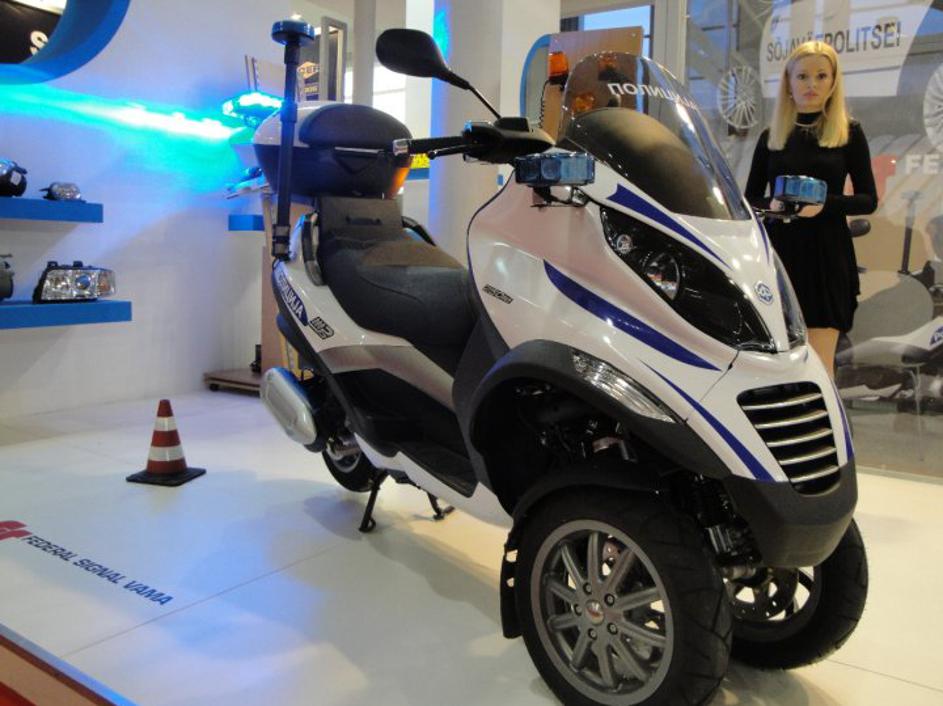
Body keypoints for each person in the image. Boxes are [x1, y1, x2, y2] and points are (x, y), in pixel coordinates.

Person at [745, 41, 878, 379]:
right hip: (779, 255)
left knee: (820, 366)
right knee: (776, 362)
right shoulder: (772, 136)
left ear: (833, 81)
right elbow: (750, 198)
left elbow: (868, 199)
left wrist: (824, 206)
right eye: (802, 76)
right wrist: (774, 206)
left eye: (821, 76)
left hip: (826, 256)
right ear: (788, 82)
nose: (811, 84)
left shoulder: (849, 133)